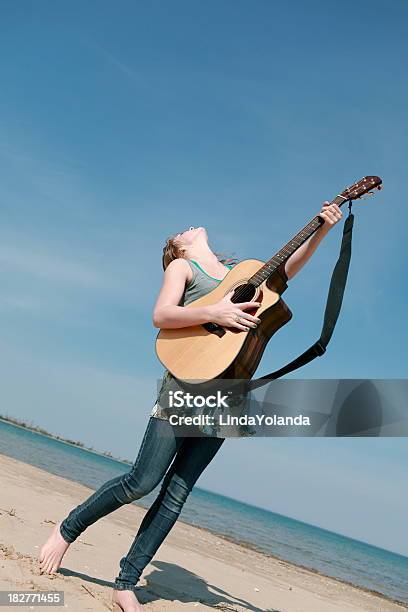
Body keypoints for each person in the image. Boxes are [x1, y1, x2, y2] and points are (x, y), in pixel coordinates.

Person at [38, 202, 342, 611]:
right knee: (142, 482)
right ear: (178, 249)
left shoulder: (242, 271)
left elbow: (286, 272)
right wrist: (215, 311)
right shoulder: (183, 269)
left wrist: (321, 229)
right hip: (185, 383)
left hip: (227, 395)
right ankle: (67, 529)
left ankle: (126, 581)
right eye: (181, 232)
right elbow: (161, 315)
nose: (190, 226)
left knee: (178, 493)